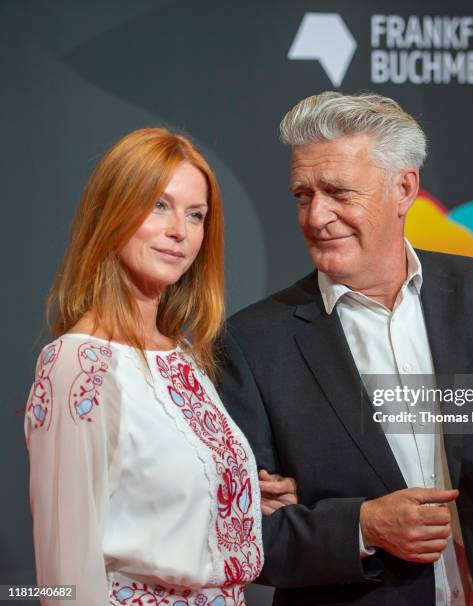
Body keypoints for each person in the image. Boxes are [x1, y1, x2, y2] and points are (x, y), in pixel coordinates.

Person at [217, 92, 473, 606]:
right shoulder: (253, 340)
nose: (317, 217)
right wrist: (363, 527)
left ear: (403, 188)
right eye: (303, 195)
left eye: (338, 192)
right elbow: (247, 535)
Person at [24, 128, 295, 606]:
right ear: (112, 212)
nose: (180, 231)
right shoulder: (78, 364)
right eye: (158, 205)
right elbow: (64, 571)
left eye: (196, 215)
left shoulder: (183, 357)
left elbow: (156, 494)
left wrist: (239, 494)